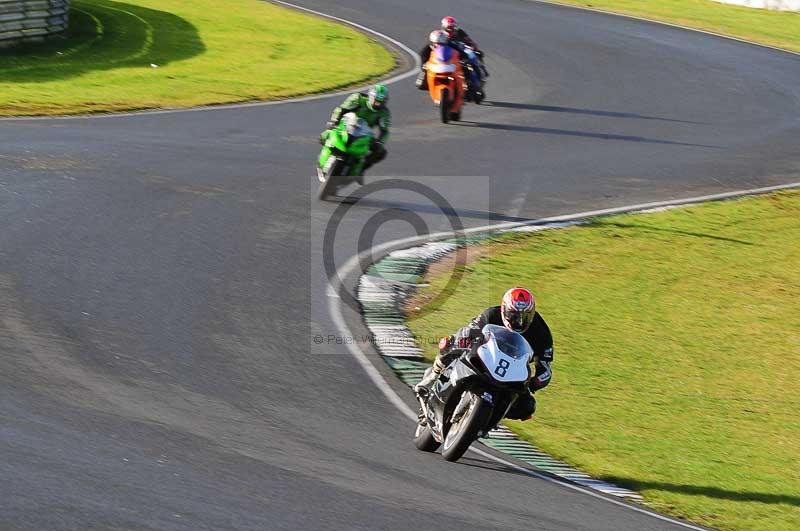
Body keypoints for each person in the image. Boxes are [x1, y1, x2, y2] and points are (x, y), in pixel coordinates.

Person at [414, 287, 554, 420]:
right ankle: (431, 379)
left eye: (526, 316)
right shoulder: (492, 314)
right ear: (504, 309)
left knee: (527, 407)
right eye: (514, 315)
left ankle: (490, 418)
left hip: (513, 371)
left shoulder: (541, 332)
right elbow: (470, 329)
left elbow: (545, 368)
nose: (519, 321)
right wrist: (461, 340)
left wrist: (533, 383)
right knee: (449, 344)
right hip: (485, 355)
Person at [322, 84, 391, 183]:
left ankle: (360, 170)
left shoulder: (384, 113)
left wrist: (380, 143)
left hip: (364, 134)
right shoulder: (358, 98)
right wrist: (334, 121)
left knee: (380, 153)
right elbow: (341, 109)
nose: (378, 104)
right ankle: (325, 157)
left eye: (381, 102)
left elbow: (385, 131)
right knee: (325, 135)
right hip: (346, 125)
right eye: (376, 101)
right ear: (370, 97)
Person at [416, 17, 487, 91]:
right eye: (449, 28)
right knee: (421, 83)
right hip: (442, 58)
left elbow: (469, 42)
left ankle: (477, 80)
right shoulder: (439, 36)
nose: (451, 30)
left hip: (458, 55)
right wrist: (424, 65)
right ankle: (425, 78)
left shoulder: (460, 33)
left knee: (472, 60)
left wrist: (473, 49)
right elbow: (425, 51)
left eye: (453, 28)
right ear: (443, 27)